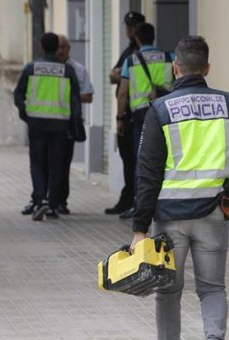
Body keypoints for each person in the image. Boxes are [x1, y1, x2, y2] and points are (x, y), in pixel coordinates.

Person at [129, 36, 229, 340]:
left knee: (168, 291)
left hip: (170, 218)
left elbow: (147, 174)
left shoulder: (160, 110)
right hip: (214, 215)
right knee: (212, 288)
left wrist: (139, 229)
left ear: (175, 69)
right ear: (207, 68)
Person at [14, 32, 82, 221]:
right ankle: (52, 205)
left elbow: (18, 95)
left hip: (37, 123)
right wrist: (74, 125)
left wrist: (25, 114)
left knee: (37, 164)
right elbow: (75, 101)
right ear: (56, 48)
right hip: (60, 124)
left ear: (41, 47)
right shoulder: (68, 71)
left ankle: (41, 200)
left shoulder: (31, 68)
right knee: (57, 165)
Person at [117, 22, 174, 219]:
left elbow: (122, 92)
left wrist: (119, 119)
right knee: (167, 159)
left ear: (138, 39)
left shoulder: (132, 61)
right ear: (153, 36)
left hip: (142, 116)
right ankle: (165, 201)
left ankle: (140, 205)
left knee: (141, 160)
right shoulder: (170, 57)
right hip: (168, 112)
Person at [105, 11, 146, 216]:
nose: (129, 29)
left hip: (135, 114)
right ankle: (128, 198)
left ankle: (136, 202)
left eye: (133, 26)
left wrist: (120, 118)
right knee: (129, 159)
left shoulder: (139, 53)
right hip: (130, 115)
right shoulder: (128, 51)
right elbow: (113, 75)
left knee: (137, 161)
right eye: (128, 25)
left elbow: (120, 82)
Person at [56, 34, 94, 214]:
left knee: (63, 165)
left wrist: (69, 97)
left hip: (68, 126)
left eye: (63, 46)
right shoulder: (46, 68)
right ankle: (47, 200)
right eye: (57, 47)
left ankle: (61, 201)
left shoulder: (78, 69)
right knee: (49, 164)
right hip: (49, 125)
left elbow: (88, 96)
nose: (60, 50)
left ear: (69, 49)